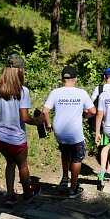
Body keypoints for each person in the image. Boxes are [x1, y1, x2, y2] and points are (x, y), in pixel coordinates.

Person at [0, 54, 43, 208]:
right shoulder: (23, 91)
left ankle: (10, 196)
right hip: (16, 138)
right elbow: (25, 117)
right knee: (22, 165)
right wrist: (38, 121)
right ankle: (27, 194)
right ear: (19, 70)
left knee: (10, 163)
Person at [42, 66, 96, 199]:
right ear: (76, 79)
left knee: (65, 152)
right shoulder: (81, 93)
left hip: (59, 131)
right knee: (77, 157)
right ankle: (73, 189)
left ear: (62, 79)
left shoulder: (55, 92)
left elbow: (45, 111)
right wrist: (85, 116)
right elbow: (93, 111)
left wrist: (48, 124)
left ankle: (65, 177)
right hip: (74, 132)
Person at [91, 67, 110, 182]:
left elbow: (90, 103)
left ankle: (103, 170)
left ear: (104, 77)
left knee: (104, 147)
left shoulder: (99, 88)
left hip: (101, 121)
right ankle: (108, 172)